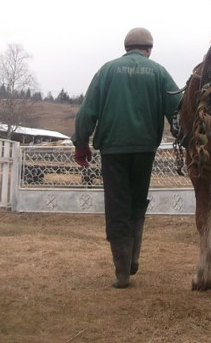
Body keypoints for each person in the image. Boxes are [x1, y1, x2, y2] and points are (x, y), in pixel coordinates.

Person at [71, 27, 180, 288]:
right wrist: (181, 135)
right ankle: (133, 259)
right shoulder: (159, 72)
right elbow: (178, 107)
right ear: (148, 48)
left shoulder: (107, 71)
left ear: (126, 47)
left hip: (113, 150)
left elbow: (87, 111)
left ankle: (121, 271)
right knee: (137, 202)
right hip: (144, 149)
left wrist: (81, 143)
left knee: (117, 205)